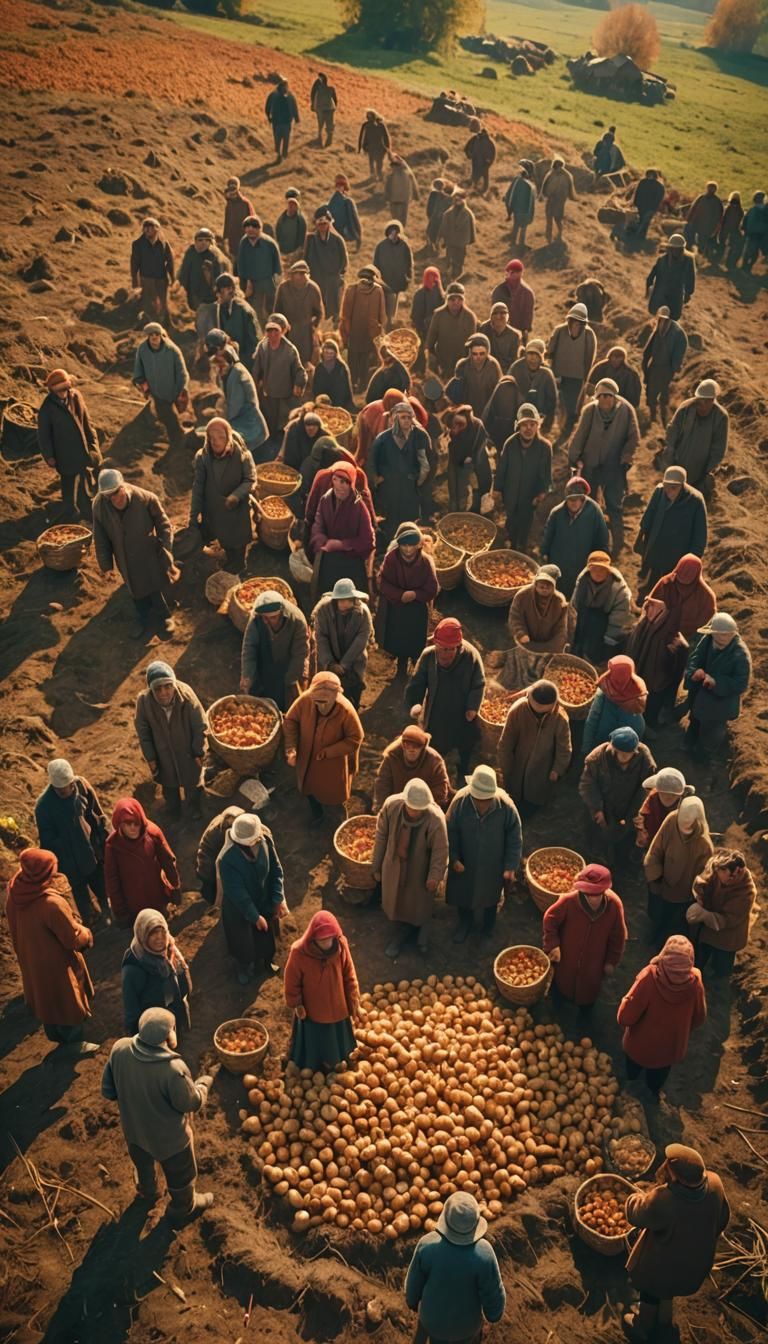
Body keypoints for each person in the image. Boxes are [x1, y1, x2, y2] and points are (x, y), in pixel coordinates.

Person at [101, 1006, 214, 1222]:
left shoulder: (119, 1048)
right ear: (168, 1035)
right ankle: (184, 1207)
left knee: (143, 1166)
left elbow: (108, 1091)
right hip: (170, 1142)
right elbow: (190, 1103)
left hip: (135, 1133)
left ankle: (148, 1192)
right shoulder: (173, 1069)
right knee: (181, 1175)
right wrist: (202, 1085)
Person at [623, 1143, 729, 1342]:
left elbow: (636, 1214)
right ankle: (665, 1323)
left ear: (678, 1178)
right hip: (694, 1265)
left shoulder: (665, 1200)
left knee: (651, 1289)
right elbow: (723, 1219)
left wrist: (635, 1197)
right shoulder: (715, 1183)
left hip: (662, 1267)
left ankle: (643, 1325)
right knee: (669, 1290)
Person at [6, 847, 97, 1056]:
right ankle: (74, 1044)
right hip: (57, 966)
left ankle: (57, 1036)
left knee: (46, 1000)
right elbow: (73, 938)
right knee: (67, 1002)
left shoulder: (14, 893)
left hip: (31, 961)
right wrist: (86, 933)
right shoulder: (51, 904)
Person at [405, 1191, 506, 1344]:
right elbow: (493, 1294)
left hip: (432, 1322)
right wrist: (493, 1315)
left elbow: (413, 1283)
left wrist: (412, 1301)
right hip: (467, 1328)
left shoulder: (427, 1245)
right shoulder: (484, 1254)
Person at [626, 554, 716, 727]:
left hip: (683, 645)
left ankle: (665, 705)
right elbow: (649, 605)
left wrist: (691, 650)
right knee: (650, 670)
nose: (681, 585)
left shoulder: (705, 597)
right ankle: (642, 700)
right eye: (680, 581)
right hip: (658, 638)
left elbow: (706, 628)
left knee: (672, 676)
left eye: (687, 582)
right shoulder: (666, 582)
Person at [618, 936, 706, 1102]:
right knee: (657, 1076)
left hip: (639, 1046)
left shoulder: (649, 977)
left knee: (633, 1070)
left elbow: (626, 1016)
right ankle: (653, 1093)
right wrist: (683, 1029)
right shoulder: (696, 984)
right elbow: (699, 1017)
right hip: (669, 1050)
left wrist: (623, 1012)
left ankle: (631, 1086)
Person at [93, 468, 175, 640]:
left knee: (154, 584)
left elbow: (164, 524)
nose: (113, 498)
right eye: (108, 495)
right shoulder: (99, 506)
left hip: (147, 551)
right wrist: (106, 565)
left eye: (116, 493)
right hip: (124, 556)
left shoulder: (145, 498)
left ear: (123, 487)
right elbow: (100, 538)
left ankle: (165, 616)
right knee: (134, 589)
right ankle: (143, 620)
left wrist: (165, 548)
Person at [373, 780, 449, 958]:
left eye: (419, 809)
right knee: (397, 899)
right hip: (394, 864)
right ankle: (400, 933)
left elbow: (441, 851)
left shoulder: (435, 820)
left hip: (420, 868)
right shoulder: (391, 807)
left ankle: (422, 931)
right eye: (411, 807)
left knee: (419, 902)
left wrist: (434, 877)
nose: (414, 812)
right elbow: (381, 836)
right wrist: (376, 866)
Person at [446, 765, 522, 942]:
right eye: (478, 799)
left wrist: (510, 866)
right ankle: (465, 923)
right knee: (463, 892)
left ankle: (488, 926)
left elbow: (514, 838)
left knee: (491, 895)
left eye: (486, 799)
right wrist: (454, 856)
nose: (482, 803)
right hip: (465, 860)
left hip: (493, 861)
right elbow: (450, 832)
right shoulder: (460, 802)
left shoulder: (507, 807)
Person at [405, 618, 486, 780]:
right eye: (441, 648)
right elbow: (417, 682)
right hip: (437, 709)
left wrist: (472, 707)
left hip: (462, 711)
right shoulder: (428, 656)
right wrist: (415, 703)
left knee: (465, 743)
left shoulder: (471, 656)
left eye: (450, 650)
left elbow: (479, 684)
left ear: (458, 647)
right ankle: (434, 772)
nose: (445, 653)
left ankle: (463, 769)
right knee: (436, 744)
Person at [568, 377, 639, 558]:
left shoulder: (626, 410)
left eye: (608, 396)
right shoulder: (590, 411)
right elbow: (580, 435)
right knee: (589, 504)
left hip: (614, 466)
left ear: (615, 397)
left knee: (614, 504)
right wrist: (574, 458)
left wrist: (626, 457)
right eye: (601, 396)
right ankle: (591, 542)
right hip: (592, 465)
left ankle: (618, 544)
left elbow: (633, 437)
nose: (605, 400)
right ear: (596, 398)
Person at [35, 758, 109, 927]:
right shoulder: (43, 808)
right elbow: (47, 842)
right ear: (53, 786)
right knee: (81, 894)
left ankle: (107, 910)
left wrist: (104, 840)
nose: (67, 791)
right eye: (61, 790)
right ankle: (91, 924)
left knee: (101, 884)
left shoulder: (82, 785)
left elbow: (97, 814)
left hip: (91, 851)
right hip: (70, 862)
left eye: (69, 786)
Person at [543, 863, 627, 1011]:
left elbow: (618, 937)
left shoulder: (614, 906)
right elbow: (550, 919)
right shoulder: (568, 901)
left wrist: (611, 961)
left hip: (594, 964)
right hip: (567, 959)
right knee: (561, 986)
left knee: (589, 992)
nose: (592, 898)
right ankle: (558, 1007)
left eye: (596, 894)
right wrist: (553, 944)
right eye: (588, 894)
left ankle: (585, 1015)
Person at [283, 671, 364, 825]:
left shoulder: (345, 710)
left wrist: (329, 752)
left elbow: (355, 738)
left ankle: (339, 823)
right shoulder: (305, 700)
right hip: (307, 759)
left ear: (336, 696)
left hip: (333, 765)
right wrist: (291, 749)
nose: (322, 705)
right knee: (310, 789)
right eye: (318, 701)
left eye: (326, 701)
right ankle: (318, 815)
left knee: (333, 797)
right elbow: (290, 721)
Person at [217, 812, 287, 981]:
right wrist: (254, 916)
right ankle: (244, 967)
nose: (258, 839)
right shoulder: (227, 859)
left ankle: (266, 961)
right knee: (243, 940)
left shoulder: (265, 840)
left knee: (266, 936)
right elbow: (236, 892)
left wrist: (277, 898)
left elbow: (276, 870)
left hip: (263, 899)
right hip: (239, 908)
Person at [285, 911, 359, 1071]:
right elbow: (292, 981)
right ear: (313, 937)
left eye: (329, 939)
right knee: (313, 1036)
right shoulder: (298, 952)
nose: (326, 943)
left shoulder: (341, 945)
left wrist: (353, 996)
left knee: (335, 1035)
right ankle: (312, 1062)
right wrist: (297, 1003)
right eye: (321, 940)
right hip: (312, 1009)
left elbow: (349, 972)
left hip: (337, 1004)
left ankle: (337, 1060)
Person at [135, 661, 207, 820]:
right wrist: (151, 758)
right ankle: (173, 810)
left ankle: (193, 809)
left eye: (168, 686)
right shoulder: (144, 702)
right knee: (169, 784)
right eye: (158, 689)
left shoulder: (186, 697)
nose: (164, 693)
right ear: (151, 690)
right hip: (163, 755)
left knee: (193, 784)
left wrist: (198, 751)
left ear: (174, 685)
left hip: (188, 753)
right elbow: (144, 733)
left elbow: (200, 726)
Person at [579, 727, 656, 868]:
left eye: (629, 754)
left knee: (626, 835)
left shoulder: (645, 758)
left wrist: (637, 812)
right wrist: (597, 809)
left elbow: (647, 787)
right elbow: (587, 785)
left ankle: (623, 863)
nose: (624, 758)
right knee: (599, 834)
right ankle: (599, 858)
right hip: (604, 804)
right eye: (621, 754)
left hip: (630, 804)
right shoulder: (597, 759)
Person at [190, 417, 256, 572]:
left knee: (238, 540)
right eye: (211, 437)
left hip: (237, 509)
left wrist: (236, 495)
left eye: (220, 437)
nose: (216, 441)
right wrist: (194, 515)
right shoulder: (203, 457)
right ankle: (230, 558)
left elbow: (250, 479)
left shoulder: (242, 456)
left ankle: (239, 564)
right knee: (224, 538)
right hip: (215, 509)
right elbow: (198, 486)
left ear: (228, 436)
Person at [643, 796, 712, 943]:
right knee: (656, 915)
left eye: (689, 825)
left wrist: (695, 897)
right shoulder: (671, 820)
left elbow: (703, 877)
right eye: (682, 823)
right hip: (661, 883)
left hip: (683, 895)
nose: (684, 828)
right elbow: (655, 850)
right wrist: (655, 876)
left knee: (674, 922)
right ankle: (653, 934)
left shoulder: (704, 846)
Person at [682, 611, 751, 757]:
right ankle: (688, 746)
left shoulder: (740, 654)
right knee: (695, 720)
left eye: (727, 635)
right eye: (719, 635)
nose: (722, 638)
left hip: (720, 704)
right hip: (700, 695)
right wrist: (695, 671)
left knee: (711, 734)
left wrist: (716, 683)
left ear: (733, 633)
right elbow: (695, 657)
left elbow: (741, 683)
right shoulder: (707, 639)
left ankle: (702, 758)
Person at [498, 680, 572, 813]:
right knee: (514, 792)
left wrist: (557, 769)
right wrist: (505, 765)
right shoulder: (518, 710)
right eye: (534, 710)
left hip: (542, 767)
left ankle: (531, 810)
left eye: (543, 712)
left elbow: (564, 749)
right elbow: (506, 742)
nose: (538, 714)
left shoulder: (560, 719)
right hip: (517, 763)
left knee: (535, 796)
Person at [105, 798, 180, 928]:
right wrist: (120, 911)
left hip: (157, 895)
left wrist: (175, 889)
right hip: (133, 902)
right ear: (119, 824)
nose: (133, 828)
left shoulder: (152, 834)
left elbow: (168, 862)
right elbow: (112, 880)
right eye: (128, 824)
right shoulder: (112, 846)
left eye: (136, 823)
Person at [376, 522, 438, 676]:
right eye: (404, 545)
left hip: (417, 608)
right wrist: (399, 595)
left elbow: (432, 588)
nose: (408, 549)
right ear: (399, 545)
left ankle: (418, 667)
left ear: (419, 545)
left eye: (412, 545)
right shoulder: (391, 558)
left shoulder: (425, 562)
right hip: (396, 606)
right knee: (398, 637)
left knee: (416, 638)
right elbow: (382, 582)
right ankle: (401, 666)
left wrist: (416, 594)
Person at [37, 368, 100, 522]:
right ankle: (70, 511)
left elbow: (87, 422)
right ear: (52, 390)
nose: (63, 393)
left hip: (82, 448)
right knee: (68, 482)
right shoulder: (47, 408)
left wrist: (93, 444)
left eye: (65, 389)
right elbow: (43, 436)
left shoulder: (76, 396)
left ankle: (87, 508)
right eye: (59, 391)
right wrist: (49, 456)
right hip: (63, 453)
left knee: (85, 479)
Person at [635, 467, 708, 597]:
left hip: (678, 557)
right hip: (656, 551)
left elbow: (700, 537)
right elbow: (648, 517)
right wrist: (641, 540)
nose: (668, 491)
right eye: (666, 486)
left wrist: (691, 562)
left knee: (673, 594)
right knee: (649, 589)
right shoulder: (659, 491)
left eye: (673, 488)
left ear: (683, 486)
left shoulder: (696, 500)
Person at [308, 459, 375, 598]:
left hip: (351, 560)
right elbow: (317, 525)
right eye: (335, 480)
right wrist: (322, 542)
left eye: (344, 482)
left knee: (348, 600)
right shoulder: (325, 500)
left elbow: (368, 540)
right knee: (328, 597)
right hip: (328, 558)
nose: (339, 486)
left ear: (352, 484)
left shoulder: (359, 506)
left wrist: (342, 545)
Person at [370, 401, 430, 547]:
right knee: (391, 517)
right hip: (389, 486)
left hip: (409, 485)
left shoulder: (419, 436)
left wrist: (419, 482)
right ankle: (392, 547)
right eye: (403, 417)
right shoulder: (382, 439)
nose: (407, 421)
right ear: (394, 419)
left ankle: (410, 546)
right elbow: (372, 461)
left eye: (409, 417)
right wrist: (376, 479)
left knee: (409, 517)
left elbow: (426, 463)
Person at [688, 850, 757, 978]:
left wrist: (704, 915)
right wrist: (700, 891)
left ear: (736, 872)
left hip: (728, 936)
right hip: (709, 928)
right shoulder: (720, 871)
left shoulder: (746, 893)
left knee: (722, 966)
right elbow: (706, 880)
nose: (717, 875)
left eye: (721, 873)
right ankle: (696, 977)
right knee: (700, 956)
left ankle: (718, 986)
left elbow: (727, 920)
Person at [122, 909, 191, 1036]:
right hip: (153, 1030)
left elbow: (182, 985)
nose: (160, 937)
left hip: (174, 1017)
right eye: (153, 933)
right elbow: (131, 1012)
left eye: (163, 931)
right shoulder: (133, 969)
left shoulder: (170, 951)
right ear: (142, 934)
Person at [493, 403, 551, 550]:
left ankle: (522, 545)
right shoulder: (510, 443)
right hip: (510, 492)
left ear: (538, 426)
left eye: (532, 424)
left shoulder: (544, 447)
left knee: (526, 521)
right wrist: (497, 489)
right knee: (511, 518)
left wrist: (542, 492)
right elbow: (502, 469)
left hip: (530, 494)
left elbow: (545, 474)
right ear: (518, 426)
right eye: (524, 425)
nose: (528, 429)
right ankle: (510, 541)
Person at [240, 588, 309, 711]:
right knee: (258, 694)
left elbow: (299, 654)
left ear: (282, 614)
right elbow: (249, 647)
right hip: (265, 656)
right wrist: (247, 675)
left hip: (286, 663)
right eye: (263, 618)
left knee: (283, 697)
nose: (265, 621)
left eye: (271, 618)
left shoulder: (297, 621)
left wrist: (290, 681)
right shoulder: (257, 618)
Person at [541, 476, 609, 599]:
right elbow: (548, 534)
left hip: (582, 563)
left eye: (577, 499)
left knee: (579, 594)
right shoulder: (556, 513)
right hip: (559, 561)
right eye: (570, 499)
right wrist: (544, 552)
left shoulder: (594, 512)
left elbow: (602, 539)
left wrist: (599, 561)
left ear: (583, 499)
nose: (573, 503)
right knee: (558, 595)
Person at [311, 577, 373, 710]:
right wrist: (330, 663)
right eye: (342, 600)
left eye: (349, 599)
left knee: (355, 686)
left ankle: (353, 708)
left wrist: (344, 665)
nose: (345, 603)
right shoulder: (323, 611)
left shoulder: (363, 613)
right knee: (328, 688)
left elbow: (361, 639)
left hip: (354, 657)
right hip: (331, 655)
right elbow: (321, 638)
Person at [132, 321, 190, 449]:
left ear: (161, 335)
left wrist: (182, 390)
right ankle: (176, 440)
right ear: (147, 336)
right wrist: (144, 386)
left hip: (174, 389)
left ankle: (181, 441)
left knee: (176, 414)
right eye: (151, 334)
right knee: (167, 417)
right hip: (156, 391)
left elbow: (182, 372)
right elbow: (138, 370)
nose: (154, 337)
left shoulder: (172, 350)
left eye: (156, 334)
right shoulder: (142, 349)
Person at [570, 551, 634, 665]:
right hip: (583, 622)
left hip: (602, 628)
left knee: (595, 658)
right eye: (594, 569)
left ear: (608, 570)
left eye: (602, 569)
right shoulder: (582, 582)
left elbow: (619, 618)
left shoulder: (619, 590)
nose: (598, 573)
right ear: (589, 569)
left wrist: (609, 639)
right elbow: (574, 606)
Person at [665, 379, 729, 491]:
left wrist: (708, 470)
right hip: (679, 460)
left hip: (701, 469)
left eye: (707, 401)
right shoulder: (686, 408)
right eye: (700, 401)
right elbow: (673, 429)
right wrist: (670, 452)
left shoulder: (721, 417)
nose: (703, 405)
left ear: (713, 400)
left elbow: (719, 448)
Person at [373, 725, 451, 812]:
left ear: (423, 747)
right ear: (402, 745)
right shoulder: (392, 757)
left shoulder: (434, 760)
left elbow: (440, 788)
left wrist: (425, 808)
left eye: (416, 746)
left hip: (424, 808)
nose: (411, 749)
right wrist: (382, 809)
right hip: (396, 807)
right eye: (407, 745)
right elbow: (383, 784)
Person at [253, 317, 307, 438]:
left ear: (282, 331)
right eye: (269, 331)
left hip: (284, 394)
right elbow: (257, 368)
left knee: (283, 424)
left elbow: (300, 371)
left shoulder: (290, 350)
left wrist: (299, 384)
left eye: (276, 331)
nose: (272, 334)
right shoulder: (263, 347)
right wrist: (256, 382)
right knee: (269, 421)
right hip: (268, 393)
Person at [582, 654, 647, 755]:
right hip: (629, 740)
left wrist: (586, 749)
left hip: (606, 738)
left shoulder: (605, 689)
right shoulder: (637, 688)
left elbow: (592, 720)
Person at [548, 303, 596, 435]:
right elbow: (550, 351)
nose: (575, 324)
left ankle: (566, 431)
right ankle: (554, 427)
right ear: (568, 320)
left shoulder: (589, 335)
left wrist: (586, 378)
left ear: (583, 323)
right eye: (573, 321)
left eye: (579, 322)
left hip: (577, 377)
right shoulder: (559, 331)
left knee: (572, 406)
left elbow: (590, 357)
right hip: (558, 374)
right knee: (557, 403)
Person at [211, 350, 267, 460]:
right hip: (241, 421)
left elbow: (235, 406)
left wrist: (223, 424)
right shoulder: (225, 375)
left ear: (229, 362)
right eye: (218, 365)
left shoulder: (236, 374)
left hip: (249, 423)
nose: (220, 368)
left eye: (222, 364)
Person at [340, 265, 387, 392]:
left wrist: (345, 333)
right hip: (370, 332)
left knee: (353, 360)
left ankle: (353, 383)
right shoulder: (378, 291)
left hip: (354, 332)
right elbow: (382, 315)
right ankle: (363, 385)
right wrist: (380, 331)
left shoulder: (352, 289)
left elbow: (344, 315)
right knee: (366, 360)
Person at [641, 307, 688, 426]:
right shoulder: (658, 329)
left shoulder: (678, 333)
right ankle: (653, 417)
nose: (662, 320)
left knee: (664, 393)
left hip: (667, 369)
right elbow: (648, 349)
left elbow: (679, 351)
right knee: (650, 392)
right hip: (654, 366)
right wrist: (645, 364)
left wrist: (674, 367)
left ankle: (664, 418)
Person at [274, 261, 324, 368]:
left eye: (303, 274)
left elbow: (319, 312)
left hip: (306, 332)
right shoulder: (283, 288)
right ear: (292, 275)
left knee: (305, 362)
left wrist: (313, 327)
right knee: (288, 361)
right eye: (298, 273)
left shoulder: (313, 289)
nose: (301, 277)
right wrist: (280, 329)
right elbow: (277, 312)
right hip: (288, 331)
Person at [444, 405, 492, 513]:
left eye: (458, 426)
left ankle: (474, 511)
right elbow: (451, 444)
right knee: (454, 485)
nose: (455, 429)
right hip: (457, 459)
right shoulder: (453, 420)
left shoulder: (477, 426)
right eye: (452, 427)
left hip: (475, 460)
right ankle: (455, 510)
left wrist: (471, 459)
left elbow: (480, 445)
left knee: (477, 486)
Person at [236, 216, 282, 329]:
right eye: (247, 227)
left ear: (260, 229)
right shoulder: (243, 243)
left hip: (267, 284)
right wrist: (245, 285)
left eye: (254, 227)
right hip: (249, 285)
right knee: (253, 312)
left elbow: (278, 268)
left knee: (268, 311)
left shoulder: (270, 244)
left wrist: (276, 284)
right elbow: (241, 265)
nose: (250, 229)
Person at [425, 282, 478, 379]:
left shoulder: (470, 317)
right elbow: (430, 340)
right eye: (452, 299)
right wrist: (432, 360)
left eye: (459, 299)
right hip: (442, 362)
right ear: (447, 299)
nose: (456, 302)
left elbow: (472, 344)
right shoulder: (438, 314)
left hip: (462, 364)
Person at [305, 209, 348, 326]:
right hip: (317, 279)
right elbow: (306, 260)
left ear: (329, 223)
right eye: (320, 224)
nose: (322, 226)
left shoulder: (337, 240)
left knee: (335, 308)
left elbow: (344, 261)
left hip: (333, 280)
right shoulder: (311, 240)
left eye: (324, 223)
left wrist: (338, 275)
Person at [508, 567, 567, 652]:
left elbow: (561, 628)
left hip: (547, 644)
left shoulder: (559, 601)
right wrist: (520, 632)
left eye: (548, 585)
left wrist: (555, 645)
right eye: (541, 585)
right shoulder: (522, 596)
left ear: (554, 586)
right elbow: (515, 616)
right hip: (526, 641)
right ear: (535, 583)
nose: (544, 588)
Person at [195, 804, 243, 905]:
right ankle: (210, 903)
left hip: (204, 861)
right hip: (208, 866)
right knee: (211, 886)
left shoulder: (220, 820)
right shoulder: (221, 834)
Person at [635, 768, 694, 849]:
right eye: (664, 793)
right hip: (653, 847)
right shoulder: (652, 799)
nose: (668, 797)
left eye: (673, 794)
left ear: (680, 794)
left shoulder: (687, 805)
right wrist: (641, 832)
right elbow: (642, 819)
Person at [508, 339, 557, 435]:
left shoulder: (546, 374)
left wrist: (546, 425)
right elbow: (507, 392)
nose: (533, 358)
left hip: (538, 416)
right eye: (530, 354)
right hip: (517, 414)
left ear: (541, 358)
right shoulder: (516, 368)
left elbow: (552, 401)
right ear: (525, 355)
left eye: (537, 355)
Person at [447, 334, 502, 420]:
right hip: (466, 413)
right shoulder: (462, 365)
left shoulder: (493, 366)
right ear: (470, 353)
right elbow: (455, 393)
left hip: (487, 413)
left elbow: (498, 394)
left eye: (482, 354)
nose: (478, 357)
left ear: (487, 352)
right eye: (475, 354)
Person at [130, 217, 175, 321]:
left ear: (157, 229)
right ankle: (148, 322)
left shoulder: (163, 244)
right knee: (149, 303)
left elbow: (170, 261)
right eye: (145, 227)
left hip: (161, 279)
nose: (147, 230)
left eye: (150, 227)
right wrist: (135, 282)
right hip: (146, 279)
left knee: (163, 304)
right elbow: (134, 264)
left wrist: (172, 277)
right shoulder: (137, 244)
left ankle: (164, 322)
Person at [211, 273, 258, 367]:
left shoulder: (245, 311)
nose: (218, 296)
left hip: (245, 362)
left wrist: (242, 363)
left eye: (220, 292)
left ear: (230, 290)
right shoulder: (221, 308)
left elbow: (253, 344)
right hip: (230, 361)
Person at [373, 221, 413, 327]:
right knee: (383, 302)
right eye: (392, 232)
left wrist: (408, 278)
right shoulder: (381, 246)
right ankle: (384, 321)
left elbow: (409, 263)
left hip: (398, 281)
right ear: (388, 233)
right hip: (384, 280)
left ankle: (390, 321)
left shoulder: (404, 246)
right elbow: (376, 264)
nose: (394, 235)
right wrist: (375, 278)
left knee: (393, 302)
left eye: (396, 232)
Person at [646, 234, 696, 320]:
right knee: (659, 319)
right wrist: (648, 290)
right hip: (660, 297)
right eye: (674, 249)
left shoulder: (688, 261)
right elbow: (650, 277)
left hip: (675, 298)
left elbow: (691, 279)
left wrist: (688, 293)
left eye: (678, 250)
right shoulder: (662, 260)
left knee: (671, 320)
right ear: (670, 249)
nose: (676, 252)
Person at [490, 258, 535, 343]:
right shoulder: (499, 291)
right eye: (508, 272)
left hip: (519, 335)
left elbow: (528, 316)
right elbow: (493, 313)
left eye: (513, 272)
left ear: (521, 273)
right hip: (499, 332)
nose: (509, 275)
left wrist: (525, 332)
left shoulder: (527, 293)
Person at [410, 268, 445, 371]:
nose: (432, 281)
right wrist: (420, 327)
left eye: (434, 278)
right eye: (430, 277)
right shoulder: (420, 294)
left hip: (437, 329)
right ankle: (420, 370)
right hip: (424, 329)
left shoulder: (441, 294)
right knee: (422, 350)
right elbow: (416, 314)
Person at [438, 188, 476, 280]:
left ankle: (457, 277)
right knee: (450, 259)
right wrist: (442, 238)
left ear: (463, 200)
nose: (457, 202)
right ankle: (449, 277)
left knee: (459, 260)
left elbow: (472, 228)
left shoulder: (468, 214)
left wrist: (470, 240)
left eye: (459, 200)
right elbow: (443, 228)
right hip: (450, 242)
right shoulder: (447, 214)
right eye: (455, 200)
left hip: (461, 243)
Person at [311, 339, 355, 411]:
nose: (328, 355)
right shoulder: (319, 367)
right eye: (326, 352)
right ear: (323, 352)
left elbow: (346, 388)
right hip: (323, 403)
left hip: (339, 402)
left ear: (335, 353)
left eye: (331, 353)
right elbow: (315, 386)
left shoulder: (341, 367)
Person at [540, 156, 576, 243]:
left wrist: (559, 198)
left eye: (558, 167)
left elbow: (566, 191)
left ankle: (559, 234)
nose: (556, 169)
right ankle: (548, 236)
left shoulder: (565, 177)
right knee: (549, 218)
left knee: (557, 219)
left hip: (559, 202)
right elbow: (545, 186)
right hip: (550, 200)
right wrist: (545, 195)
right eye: (555, 167)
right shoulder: (550, 174)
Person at [684, 181, 723, 257]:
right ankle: (695, 255)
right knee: (699, 242)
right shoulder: (716, 201)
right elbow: (720, 217)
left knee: (697, 242)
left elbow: (692, 209)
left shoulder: (704, 198)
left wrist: (688, 220)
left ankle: (696, 256)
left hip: (702, 226)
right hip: (703, 226)